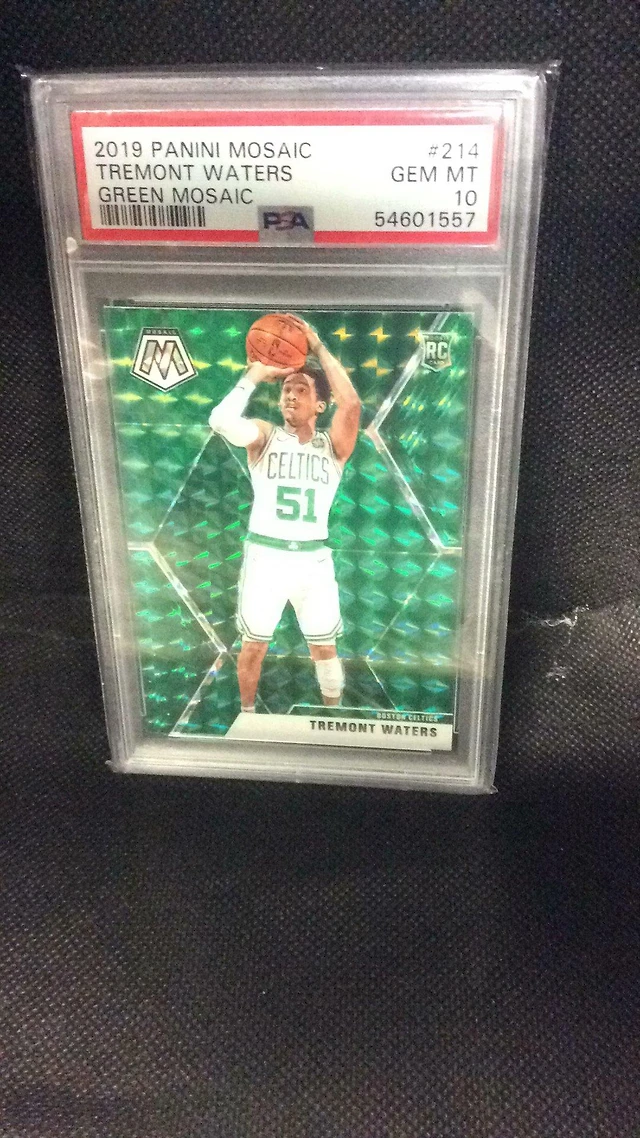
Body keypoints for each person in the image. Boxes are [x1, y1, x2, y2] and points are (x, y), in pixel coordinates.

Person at [208, 315, 361, 712]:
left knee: (325, 649)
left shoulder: (334, 446)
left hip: (313, 559)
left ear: (320, 404)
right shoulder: (265, 436)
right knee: (253, 646)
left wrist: (317, 346)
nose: (290, 396)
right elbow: (220, 421)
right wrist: (255, 375)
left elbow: (352, 403)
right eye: (286, 390)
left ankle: (332, 720)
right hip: (267, 557)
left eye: (301, 390)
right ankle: (247, 717)